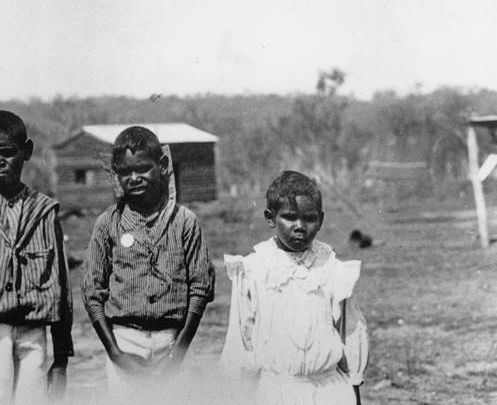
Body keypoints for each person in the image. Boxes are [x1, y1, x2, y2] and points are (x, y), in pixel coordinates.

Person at [81, 126, 215, 401]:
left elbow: (200, 289)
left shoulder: (184, 221)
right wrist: (115, 353)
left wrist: (178, 352)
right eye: (125, 172)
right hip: (124, 340)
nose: (134, 178)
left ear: (162, 166)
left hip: (173, 342)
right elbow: (92, 293)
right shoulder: (109, 223)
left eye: (142, 168)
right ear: (116, 175)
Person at [0, 110, 73, 404]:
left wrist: (61, 358)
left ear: (27, 151)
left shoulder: (44, 210)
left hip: (34, 332)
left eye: (7, 152)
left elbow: (61, 282)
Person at [221, 171, 369, 404]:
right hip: (273, 392)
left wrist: (355, 394)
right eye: (289, 217)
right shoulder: (254, 269)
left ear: (320, 220)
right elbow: (240, 340)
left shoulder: (333, 269)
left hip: (328, 391)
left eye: (309, 218)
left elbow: (350, 333)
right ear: (270, 218)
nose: (300, 226)